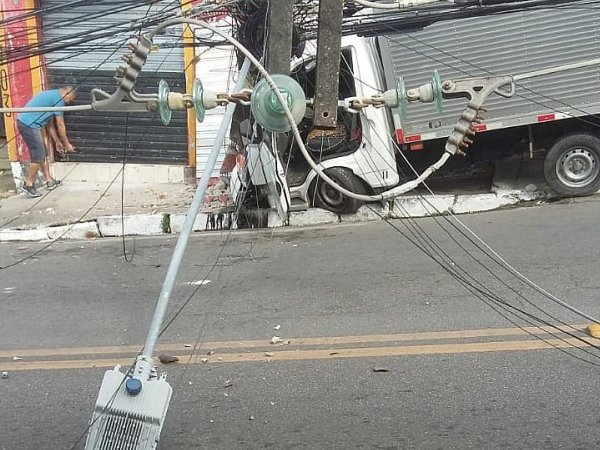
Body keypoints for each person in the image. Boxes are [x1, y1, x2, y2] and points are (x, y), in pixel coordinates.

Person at [17, 86, 76, 197]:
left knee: (43, 152)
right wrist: (67, 144)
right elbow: (60, 125)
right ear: (66, 94)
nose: (69, 103)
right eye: (70, 99)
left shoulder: (52, 95)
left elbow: (49, 124)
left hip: (29, 124)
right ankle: (28, 184)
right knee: (38, 155)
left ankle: (49, 180)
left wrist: (57, 141)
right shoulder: (59, 100)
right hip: (28, 124)